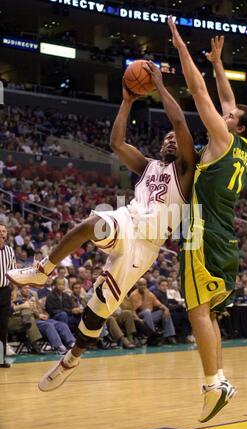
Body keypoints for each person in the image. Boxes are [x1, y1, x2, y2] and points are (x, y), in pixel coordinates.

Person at [7, 66, 197, 391]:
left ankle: (72, 358)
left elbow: (179, 122)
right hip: (127, 220)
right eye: (164, 138)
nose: (169, 140)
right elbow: (117, 142)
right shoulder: (148, 165)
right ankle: (43, 269)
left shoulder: (187, 170)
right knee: (92, 222)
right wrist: (126, 101)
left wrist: (161, 86)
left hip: (145, 246)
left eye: (173, 139)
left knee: (99, 310)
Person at [168, 19, 247, 422]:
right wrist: (219, 63)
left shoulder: (223, 139)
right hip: (225, 239)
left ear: (237, 126)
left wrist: (180, 48)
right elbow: (225, 98)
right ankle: (219, 378)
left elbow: (200, 91)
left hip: (202, 234)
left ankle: (213, 383)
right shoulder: (241, 145)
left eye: (231, 115)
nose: (225, 113)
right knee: (208, 311)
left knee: (196, 311)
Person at [0, 224, 17, 367]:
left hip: (5, 291)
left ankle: (0, 359)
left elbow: (13, 272)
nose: (1, 233)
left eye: (4, 231)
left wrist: (15, 290)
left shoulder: (10, 250)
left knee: (3, 327)